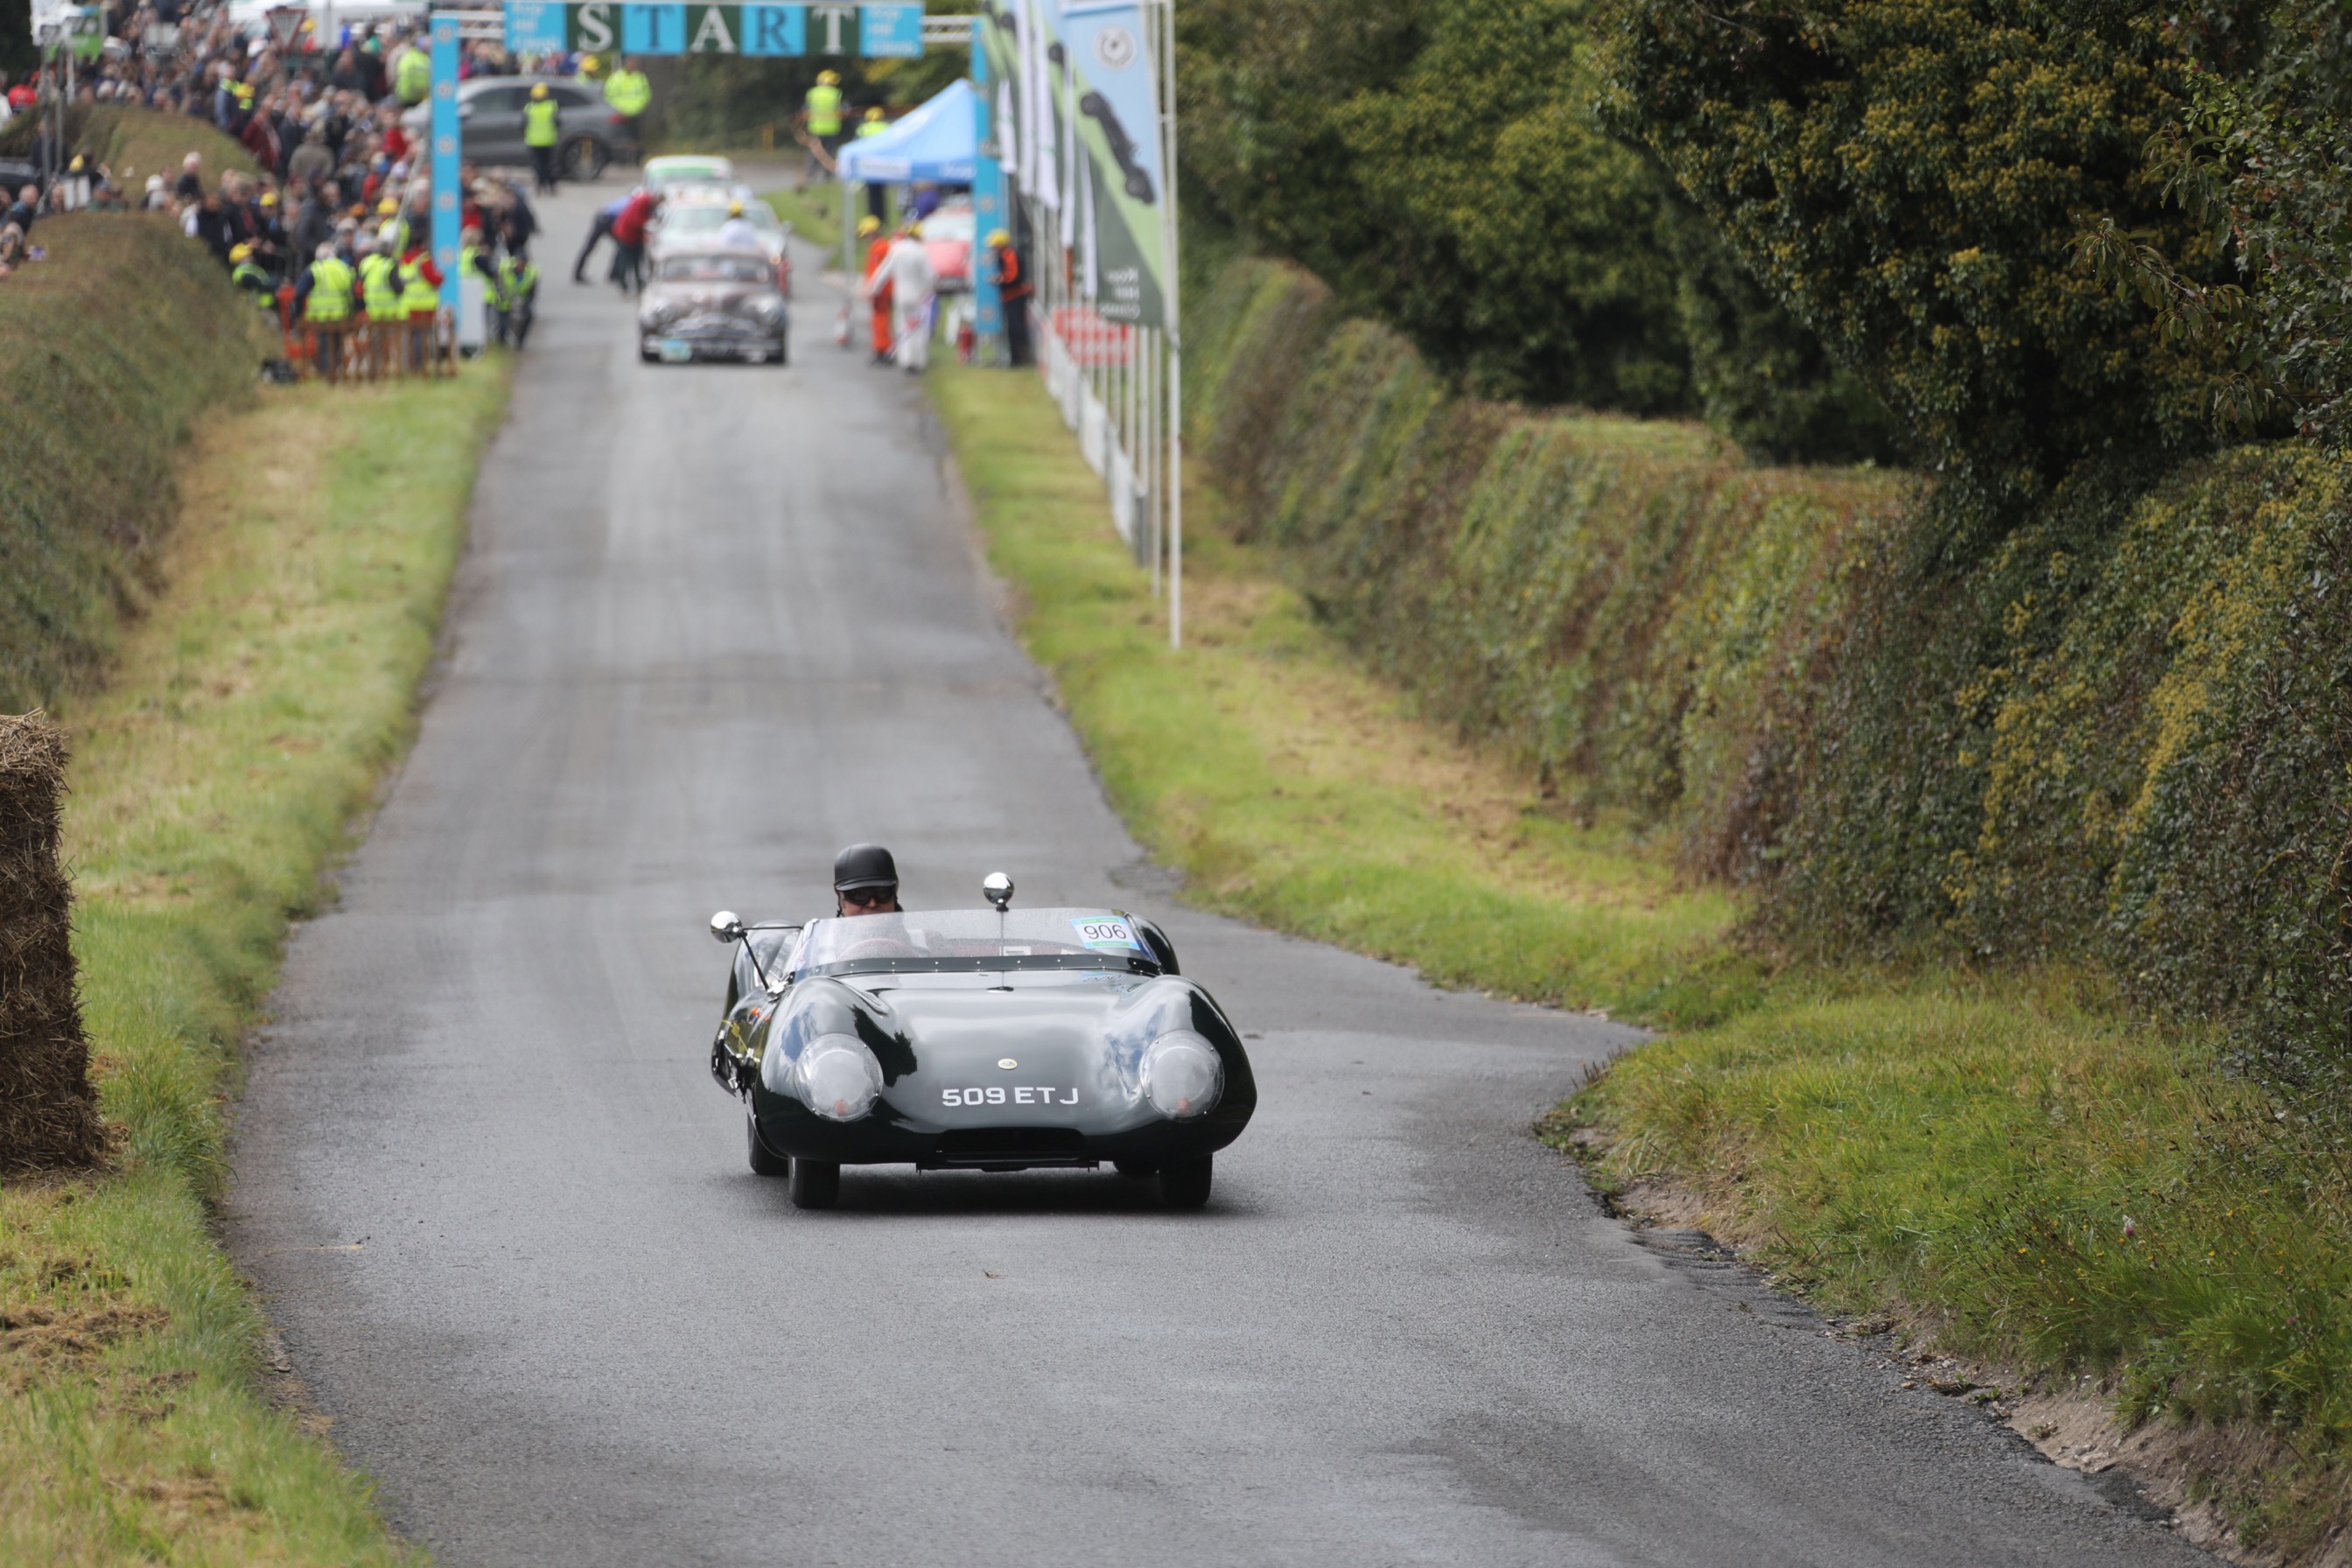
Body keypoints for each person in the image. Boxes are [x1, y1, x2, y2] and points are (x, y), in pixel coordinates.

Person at [869, 220, 936, 374]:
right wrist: (929, 290)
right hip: (918, 296)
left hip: (900, 295)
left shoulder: (896, 250)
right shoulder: (921, 251)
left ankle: (906, 361)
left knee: (903, 327)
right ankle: (917, 361)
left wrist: (873, 289)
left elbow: (883, 272)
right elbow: (930, 276)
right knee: (918, 328)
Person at [989, 228, 1032, 368]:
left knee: (1016, 328)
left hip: (1015, 296)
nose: (993, 248)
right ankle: (1015, 359)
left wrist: (998, 279)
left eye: (994, 245)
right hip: (1009, 297)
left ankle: (1021, 358)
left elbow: (1012, 276)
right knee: (1012, 329)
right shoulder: (1004, 255)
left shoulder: (1009, 254)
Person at [609, 185, 658, 294]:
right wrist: (649, 223)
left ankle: (638, 284)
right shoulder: (643, 204)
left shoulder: (645, 204)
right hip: (626, 236)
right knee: (626, 261)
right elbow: (636, 221)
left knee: (637, 261)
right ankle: (623, 283)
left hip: (636, 237)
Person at [800, 69, 843, 186]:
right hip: (831, 128)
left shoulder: (812, 93)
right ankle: (828, 177)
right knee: (829, 152)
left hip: (816, 128)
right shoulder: (836, 93)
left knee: (815, 152)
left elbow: (806, 109)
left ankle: (810, 175)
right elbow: (841, 110)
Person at [858, 214, 892, 365]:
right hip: (880, 290)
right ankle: (881, 347)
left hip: (881, 291)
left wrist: (872, 289)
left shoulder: (880, 248)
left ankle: (883, 349)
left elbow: (879, 273)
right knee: (878, 320)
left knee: (880, 321)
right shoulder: (879, 247)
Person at [831, 844, 900, 917]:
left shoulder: (910, 924)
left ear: (894, 896)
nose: (872, 904)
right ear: (841, 899)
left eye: (882, 892)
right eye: (859, 894)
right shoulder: (825, 925)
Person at [603, 57, 649, 163]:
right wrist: (617, 108)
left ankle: (636, 158)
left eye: (634, 65)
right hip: (619, 113)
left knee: (635, 138)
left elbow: (646, 94)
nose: (632, 66)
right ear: (626, 65)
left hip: (635, 113)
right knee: (621, 138)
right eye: (630, 64)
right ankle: (622, 159)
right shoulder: (617, 78)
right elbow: (608, 94)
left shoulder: (641, 78)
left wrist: (639, 106)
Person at [574, 192, 626, 283]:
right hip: (609, 221)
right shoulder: (631, 204)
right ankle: (614, 274)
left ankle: (578, 273)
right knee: (622, 246)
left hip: (601, 217)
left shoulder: (625, 199)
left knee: (589, 247)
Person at [523, 81, 560, 195]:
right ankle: (551, 185)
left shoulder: (529, 108)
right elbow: (558, 122)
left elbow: (523, 125)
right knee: (549, 164)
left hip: (534, 141)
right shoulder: (551, 106)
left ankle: (540, 185)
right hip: (549, 140)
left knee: (538, 165)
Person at [229, 242, 276, 311]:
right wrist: (278, 284)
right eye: (248, 255)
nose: (251, 257)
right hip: (260, 308)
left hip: (266, 305)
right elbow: (261, 286)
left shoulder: (250, 269)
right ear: (241, 259)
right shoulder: (244, 274)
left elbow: (264, 277)